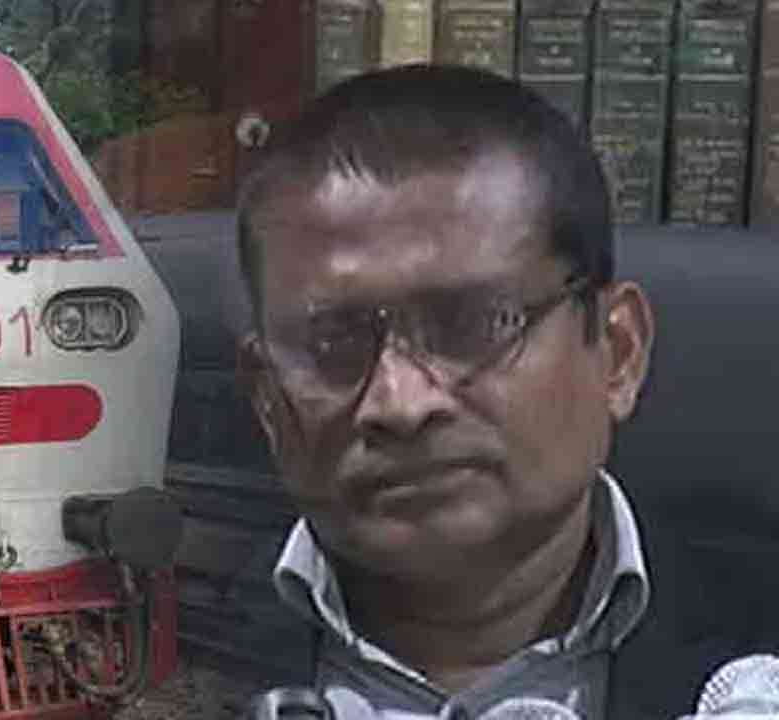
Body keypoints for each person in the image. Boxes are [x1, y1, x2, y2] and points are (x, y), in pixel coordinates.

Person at [232, 64, 772, 718]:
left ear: (618, 353)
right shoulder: (161, 657)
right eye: (332, 343)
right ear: (266, 399)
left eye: (472, 325)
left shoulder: (753, 665)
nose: (400, 404)